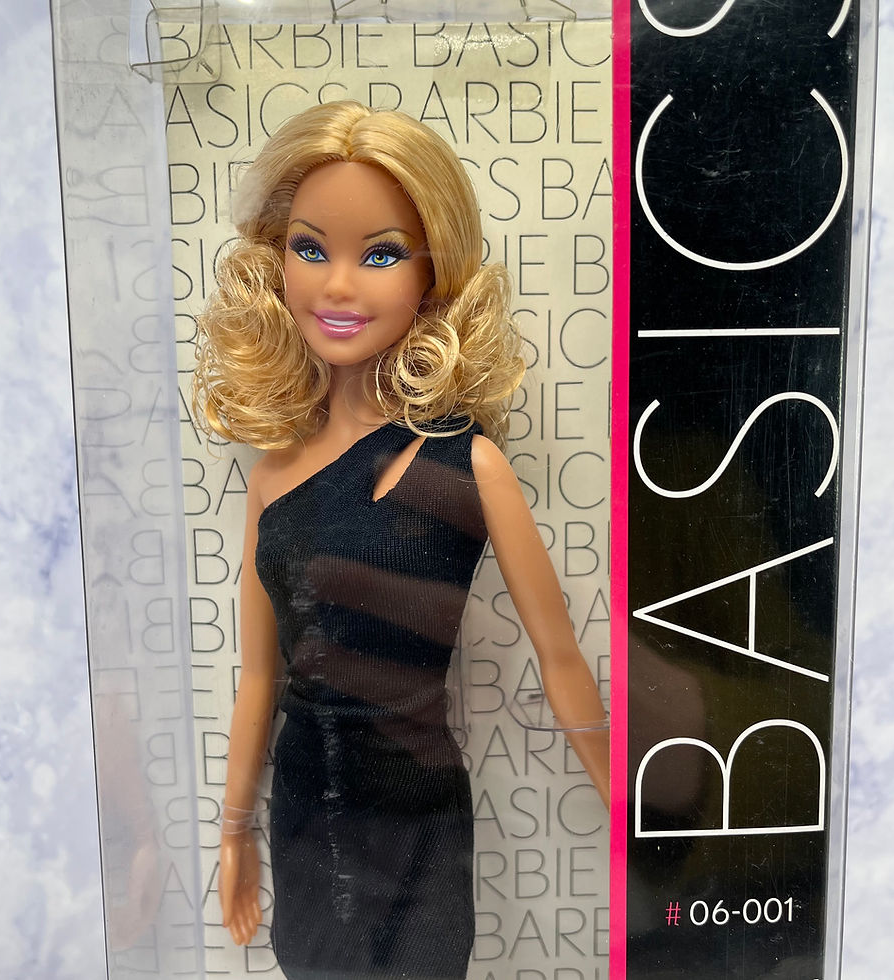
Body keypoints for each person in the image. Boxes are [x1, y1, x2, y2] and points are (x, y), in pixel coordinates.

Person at [194, 100, 610, 980]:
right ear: (275, 262)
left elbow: (560, 657)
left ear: (432, 276)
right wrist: (233, 833)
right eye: (311, 249)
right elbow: (261, 676)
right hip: (308, 812)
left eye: (380, 254)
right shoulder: (273, 475)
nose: (338, 287)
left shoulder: (469, 464)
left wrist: (623, 799)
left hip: (421, 814)